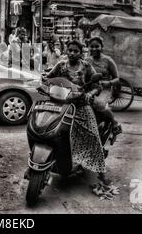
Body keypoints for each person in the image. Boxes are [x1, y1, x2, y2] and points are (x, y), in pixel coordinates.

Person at [46, 40, 110, 185]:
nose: (72, 53)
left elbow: (97, 86)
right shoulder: (61, 65)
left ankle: (101, 173)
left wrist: (91, 93)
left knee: (93, 136)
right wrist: (44, 82)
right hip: (62, 105)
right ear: (66, 51)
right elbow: (49, 77)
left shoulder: (86, 66)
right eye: (70, 50)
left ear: (81, 53)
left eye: (76, 51)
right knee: (50, 131)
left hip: (81, 106)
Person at [85, 37, 122, 135]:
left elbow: (117, 78)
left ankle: (114, 122)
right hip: (90, 87)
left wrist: (109, 83)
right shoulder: (87, 60)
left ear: (102, 47)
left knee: (99, 104)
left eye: (97, 46)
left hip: (104, 89)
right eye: (91, 46)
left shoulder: (108, 60)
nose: (94, 49)